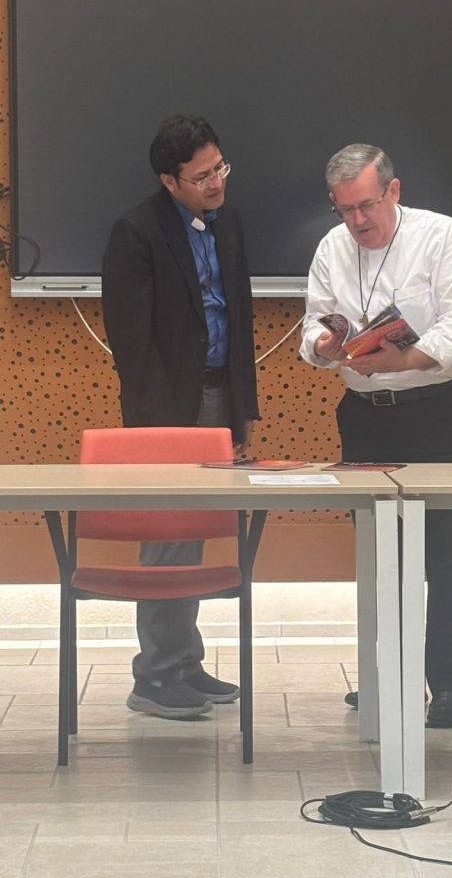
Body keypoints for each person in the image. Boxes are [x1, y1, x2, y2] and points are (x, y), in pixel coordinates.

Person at [300, 143, 452, 727]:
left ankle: (448, 687)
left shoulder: (440, 235)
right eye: (345, 209)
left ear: (394, 191)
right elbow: (312, 326)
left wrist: (405, 360)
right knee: (382, 555)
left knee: (450, 553)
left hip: (443, 410)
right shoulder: (331, 248)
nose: (358, 221)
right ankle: (388, 677)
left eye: (367, 205)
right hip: (367, 416)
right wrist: (325, 345)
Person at [102, 114, 259, 720]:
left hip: (219, 397)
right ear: (169, 181)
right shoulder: (136, 231)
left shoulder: (229, 223)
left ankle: (185, 662)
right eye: (201, 176)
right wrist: (153, 431)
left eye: (220, 168)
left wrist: (241, 412)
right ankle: (155, 676)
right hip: (166, 408)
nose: (216, 182)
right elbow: (131, 342)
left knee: (194, 534)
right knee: (168, 537)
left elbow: (238, 320)